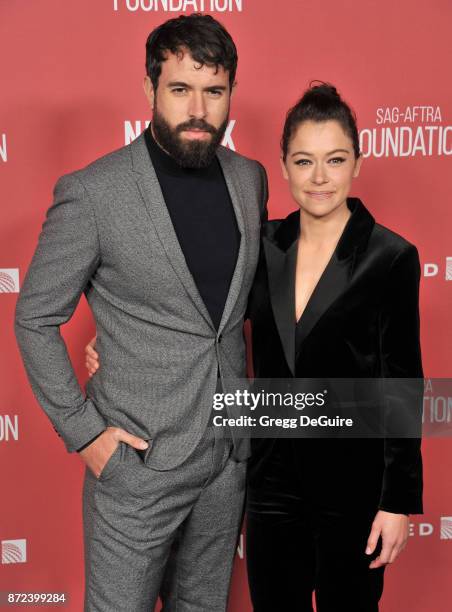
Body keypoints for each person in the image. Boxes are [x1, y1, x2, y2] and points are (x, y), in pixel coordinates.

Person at [14, 14, 267, 612]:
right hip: (136, 465)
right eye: (180, 90)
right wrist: (88, 437)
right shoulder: (94, 192)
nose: (198, 109)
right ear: (150, 89)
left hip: (226, 459)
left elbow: (220, 315)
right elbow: (34, 318)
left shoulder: (249, 180)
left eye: (214, 90)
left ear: (232, 92)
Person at [245, 83, 423, 611]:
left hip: (355, 491)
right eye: (304, 161)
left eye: (335, 160)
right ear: (283, 166)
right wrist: (111, 342)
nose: (319, 177)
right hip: (271, 487)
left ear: (358, 164)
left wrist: (397, 503)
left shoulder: (389, 257)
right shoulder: (260, 249)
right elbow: (198, 322)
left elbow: (402, 385)